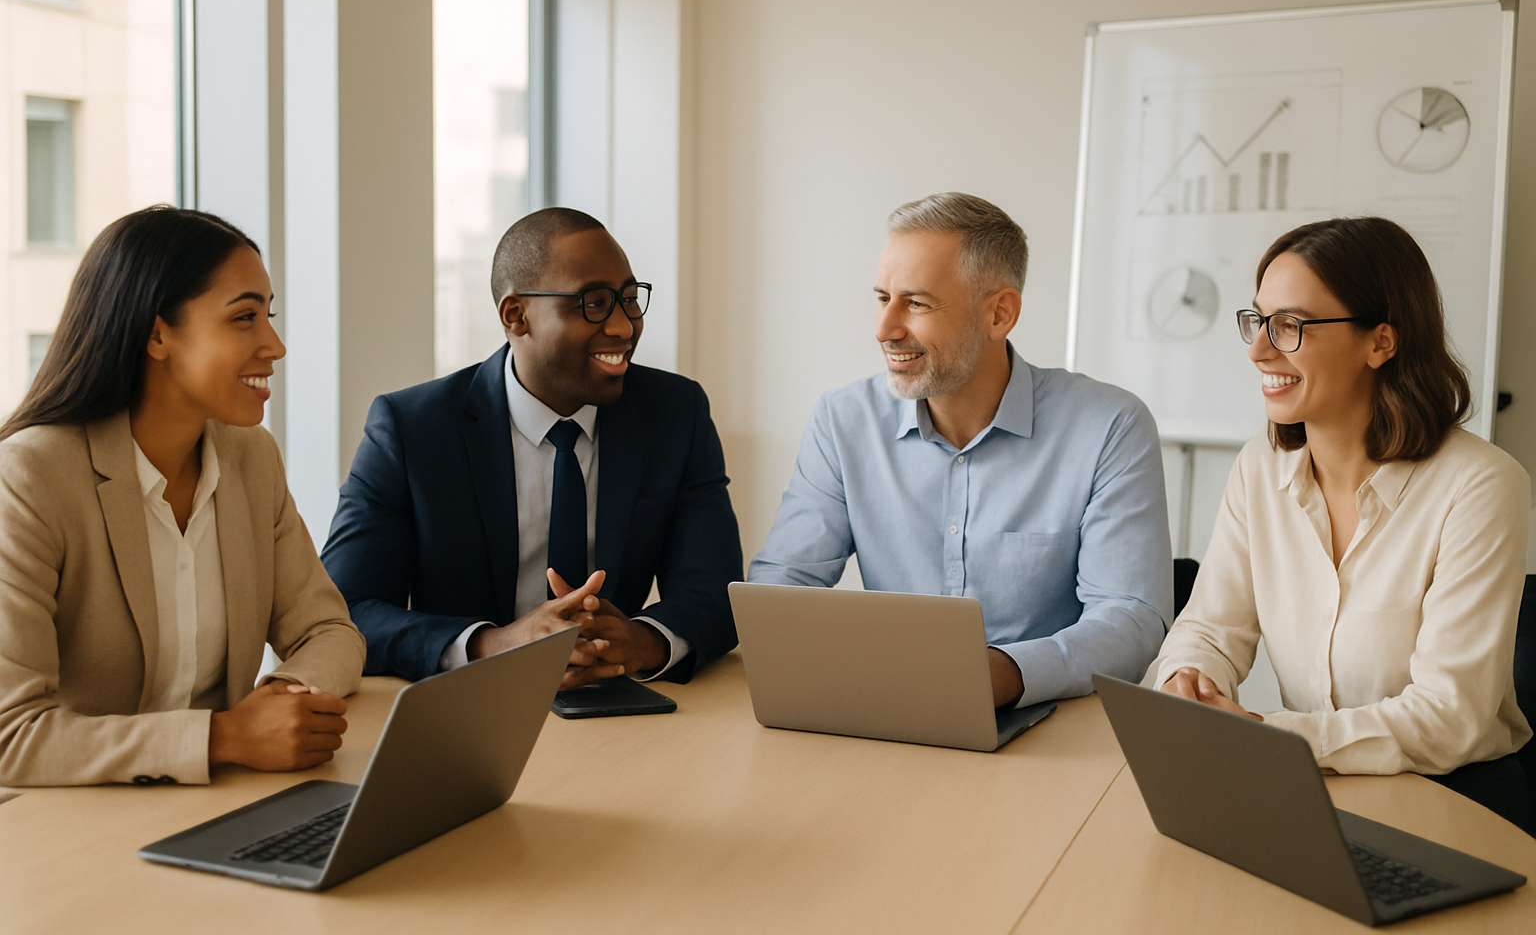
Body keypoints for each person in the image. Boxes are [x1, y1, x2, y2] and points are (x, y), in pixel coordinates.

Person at [1148, 217, 1532, 828]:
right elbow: (1212, 628)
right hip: (1314, 784)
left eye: (1289, 325)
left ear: (1381, 342)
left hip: (1455, 796)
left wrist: (1271, 737)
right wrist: (1187, 683)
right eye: (1257, 320)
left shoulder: (1481, 485)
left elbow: (1449, 715)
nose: (1258, 350)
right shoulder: (1259, 468)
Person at [749, 192, 1173, 708]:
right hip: (885, 706)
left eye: (916, 303)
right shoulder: (843, 420)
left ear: (999, 314)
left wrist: (1002, 674)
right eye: (883, 298)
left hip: (1042, 716)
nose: (884, 330)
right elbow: (783, 585)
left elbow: (1130, 618)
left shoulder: (1109, 426)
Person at [0, 206, 365, 787]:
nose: (275, 346)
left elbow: (329, 631)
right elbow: (11, 734)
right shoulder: (29, 476)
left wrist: (280, 703)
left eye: (268, 316)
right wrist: (226, 737)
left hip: (220, 799)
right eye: (244, 318)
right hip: (78, 820)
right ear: (157, 334)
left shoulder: (252, 458)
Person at [323, 207, 742, 685]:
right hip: (468, 703)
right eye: (594, 303)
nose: (624, 327)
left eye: (629, 299)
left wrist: (641, 641)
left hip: (617, 702)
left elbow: (716, 591)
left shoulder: (674, 413)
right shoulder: (412, 429)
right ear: (516, 315)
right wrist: (493, 645)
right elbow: (344, 610)